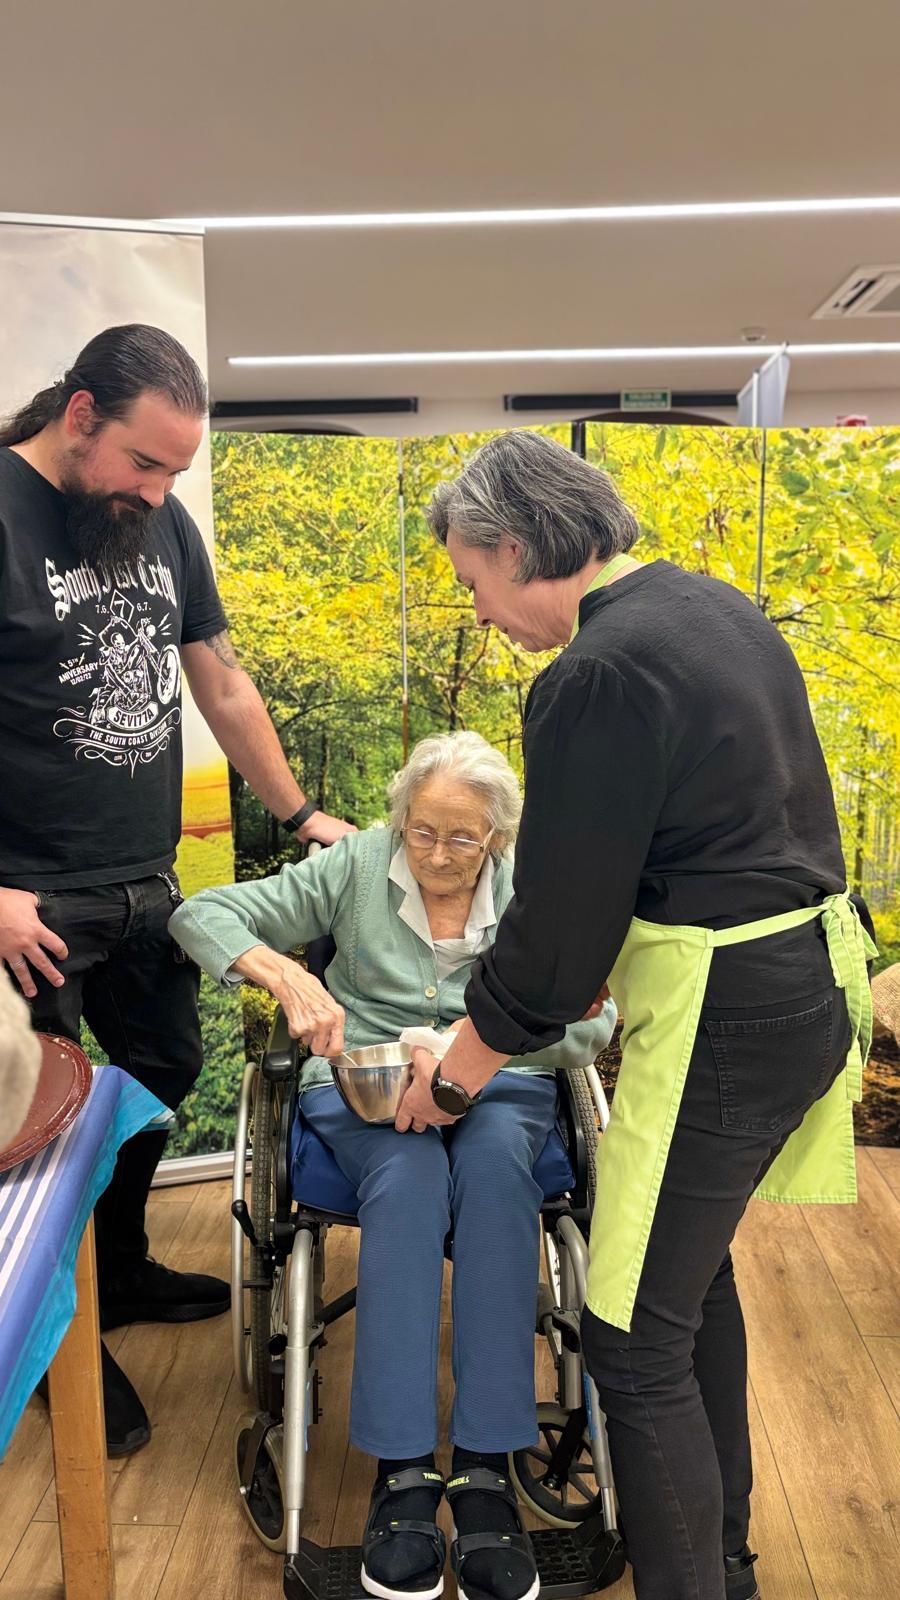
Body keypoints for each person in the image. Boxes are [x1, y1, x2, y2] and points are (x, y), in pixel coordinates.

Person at [398, 430, 876, 1600]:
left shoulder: (596, 674)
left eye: (472, 579)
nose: (478, 609)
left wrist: (454, 1073)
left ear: (516, 548)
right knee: (686, 1285)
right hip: (811, 984)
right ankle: (723, 1562)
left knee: (629, 1337)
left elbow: (557, 940)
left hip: (729, 1014)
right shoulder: (716, 611)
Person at [0, 324, 353, 1455]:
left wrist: (300, 813)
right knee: (41, 1128)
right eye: (145, 462)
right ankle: (59, 1340)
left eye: (176, 471)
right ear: (80, 415)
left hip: (142, 883)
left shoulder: (158, 523)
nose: (158, 490)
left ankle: (120, 1266)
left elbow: (222, 682)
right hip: (26, 904)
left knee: (161, 1076)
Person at [170, 730, 617, 1600]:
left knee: (498, 1178)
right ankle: (403, 1472)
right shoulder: (357, 866)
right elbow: (202, 914)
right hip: (367, 1087)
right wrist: (288, 978)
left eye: (463, 838)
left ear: (498, 836)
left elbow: (592, 1025)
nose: (438, 855)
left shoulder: (535, 890)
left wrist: (469, 1051)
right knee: (407, 1183)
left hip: (502, 1084)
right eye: (422, 831)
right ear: (400, 817)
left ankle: (486, 1468)